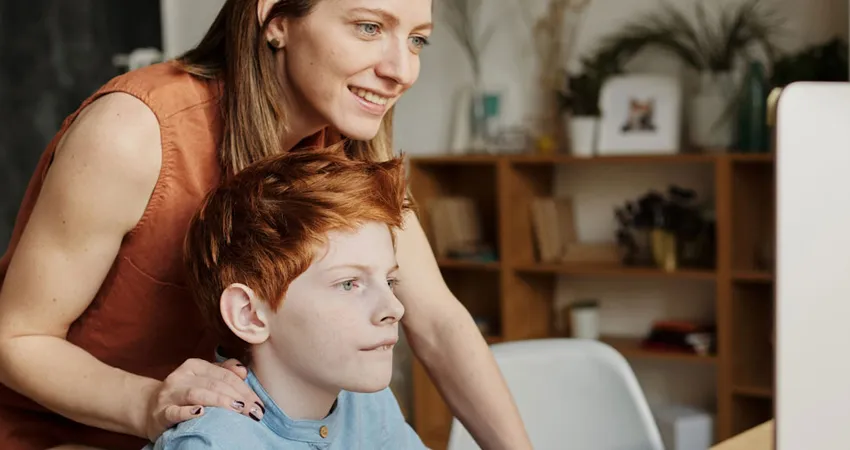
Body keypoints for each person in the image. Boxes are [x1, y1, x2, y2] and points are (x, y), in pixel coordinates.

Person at [0, 0, 531, 449]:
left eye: (418, 40)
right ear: (275, 18)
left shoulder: (352, 149)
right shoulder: (132, 132)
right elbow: (15, 338)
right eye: (369, 27)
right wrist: (149, 402)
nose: (403, 70)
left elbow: (436, 321)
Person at [148, 146, 426, 449]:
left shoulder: (369, 405)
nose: (394, 308)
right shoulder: (212, 443)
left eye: (389, 280)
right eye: (349, 284)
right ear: (250, 315)